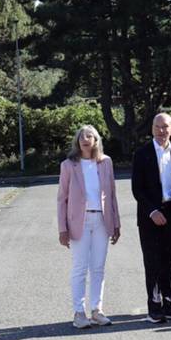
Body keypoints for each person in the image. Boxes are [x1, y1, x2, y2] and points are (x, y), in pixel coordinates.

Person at [57, 124, 122, 328]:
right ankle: (79, 312)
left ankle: (97, 310)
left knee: (98, 268)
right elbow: (62, 199)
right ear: (78, 141)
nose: (85, 139)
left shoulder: (106, 162)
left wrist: (116, 223)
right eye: (82, 136)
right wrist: (62, 228)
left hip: (102, 221)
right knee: (79, 268)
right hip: (79, 221)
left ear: (96, 141)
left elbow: (111, 194)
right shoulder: (68, 165)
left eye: (90, 136)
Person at [130, 111, 171, 322]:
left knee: (169, 260)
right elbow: (137, 189)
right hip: (151, 215)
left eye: (166, 126)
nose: (161, 130)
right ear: (152, 129)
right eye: (157, 126)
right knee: (152, 260)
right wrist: (152, 211)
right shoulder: (142, 154)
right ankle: (154, 306)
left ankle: (169, 303)